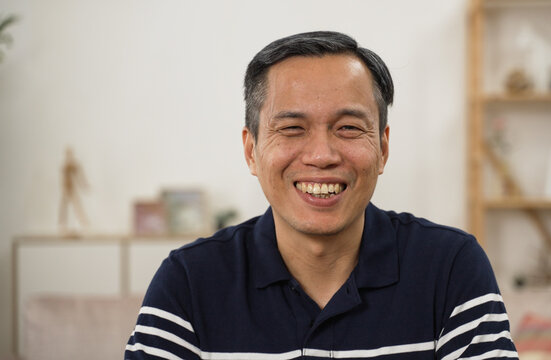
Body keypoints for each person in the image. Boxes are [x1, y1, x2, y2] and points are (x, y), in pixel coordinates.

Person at [125, 31, 518, 360]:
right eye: (292, 128)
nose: (321, 156)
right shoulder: (189, 282)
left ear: (382, 148)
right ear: (251, 151)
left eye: (348, 128)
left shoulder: (450, 268)